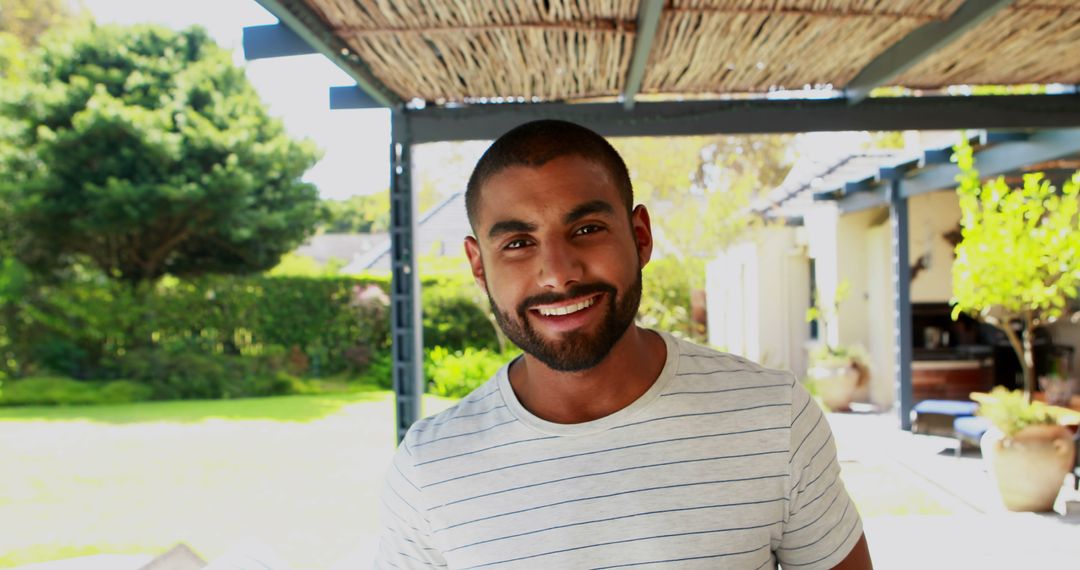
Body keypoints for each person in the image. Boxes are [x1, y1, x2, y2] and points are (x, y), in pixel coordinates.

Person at [375, 120, 873, 569]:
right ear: (479, 265)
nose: (558, 273)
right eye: (518, 243)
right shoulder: (430, 467)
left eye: (587, 229)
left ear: (640, 236)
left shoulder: (773, 416)